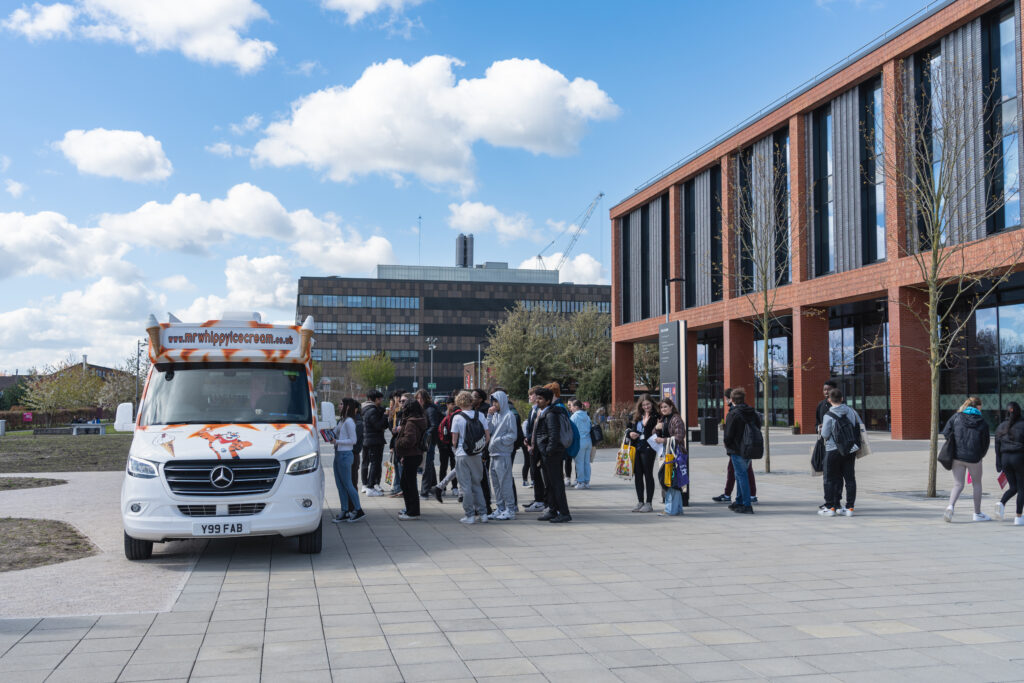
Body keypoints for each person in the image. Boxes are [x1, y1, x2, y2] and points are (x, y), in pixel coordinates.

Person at [942, 396, 992, 523]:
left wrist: (956, 442)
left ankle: (950, 506)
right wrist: (980, 455)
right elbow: (986, 442)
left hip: (957, 456)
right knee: (977, 484)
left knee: (958, 484)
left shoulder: (956, 417)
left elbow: (946, 432)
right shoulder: (982, 421)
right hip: (974, 458)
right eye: (981, 406)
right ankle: (977, 513)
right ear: (978, 406)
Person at [818, 388, 864, 517]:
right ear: (842, 398)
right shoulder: (852, 412)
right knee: (850, 478)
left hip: (833, 450)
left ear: (829, 400)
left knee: (829, 478)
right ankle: (849, 508)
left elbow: (825, 434)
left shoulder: (828, 415)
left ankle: (830, 507)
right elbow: (859, 426)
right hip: (850, 449)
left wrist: (820, 429)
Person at [532, 387, 571, 522]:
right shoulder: (543, 412)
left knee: (557, 484)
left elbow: (554, 435)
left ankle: (564, 513)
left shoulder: (551, 414)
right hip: (545, 454)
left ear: (548, 401)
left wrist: (548, 451)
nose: (537, 400)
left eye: (540, 399)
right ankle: (553, 510)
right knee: (549, 484)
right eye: (537, 398)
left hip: (552, 454)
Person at [713, 387, 757, 504]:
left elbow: (728, 435)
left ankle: (746, 504)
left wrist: (728, 445)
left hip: (736, 449)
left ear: (731, 399)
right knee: (742, 474)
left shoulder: (733, 414)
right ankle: (739, 501)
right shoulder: (751, 411)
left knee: (741, 476)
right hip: (749, 447)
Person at [451, 390, 489, 524]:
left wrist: (456, 450)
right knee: (477, 484)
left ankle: (469, 515)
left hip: (462, 454)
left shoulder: (457, 417)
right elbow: (487, 436)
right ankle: (483, 514)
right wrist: (479, 448)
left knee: (465, 486)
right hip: (477, 454)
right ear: (471, 401)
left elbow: (454, 440)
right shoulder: (480, 415)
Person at [332, 398, 365, 523]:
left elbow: (353, 440)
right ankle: (344, 511)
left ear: (347, 406)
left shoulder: (350, 421)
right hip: (338, 454)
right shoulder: (342, 420)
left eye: (341, 404)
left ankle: (358, 510)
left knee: (348, 484)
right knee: (340, 485)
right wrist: (328, 434)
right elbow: (335, 433)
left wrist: (337, 441)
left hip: (345, 455)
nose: (339, 406)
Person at [394, 397, 427, 520]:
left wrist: (398, 443)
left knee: (409, 484)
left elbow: (410, 440)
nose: (402, 407)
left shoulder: (411, 422)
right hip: (412, 455)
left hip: (412, 455)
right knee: (406, 483)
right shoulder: (418, 420)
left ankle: (412, 512)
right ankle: (410, 509)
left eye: (404, 405)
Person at [486, 389, 517, 520]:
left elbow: (512, 435)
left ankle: (510, 509)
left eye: (496, 401)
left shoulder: (509, 415)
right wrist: (489, 416)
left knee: (505, 482)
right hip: (493, 453)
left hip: (503, 453)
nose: (494, 404)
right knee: (496, 483)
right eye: (492, 401)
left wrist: (499, 440)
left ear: (502, 401)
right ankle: (500, 507)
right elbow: (490, 430)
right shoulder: (496, 415)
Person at [654, 397, 687, 516]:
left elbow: (679, 436)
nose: (663, 409)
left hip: (674, 454)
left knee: (670, 480)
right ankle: (677, 509)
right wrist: (657, 429)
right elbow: (655, 434)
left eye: (665, 407)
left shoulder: (676, 419)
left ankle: (670, 509)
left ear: (671, 407)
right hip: (665, 453)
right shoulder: (663, 419)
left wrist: (663, 439)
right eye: (661, 407)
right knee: (671, 481)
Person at [994, 401, 1024, 525]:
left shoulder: (1001, 426)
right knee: (1022, 488)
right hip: (1019, 458)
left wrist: (999, 463)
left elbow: (997, 447)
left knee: (1013, 487)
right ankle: (1018, 517)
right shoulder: (1023, 425)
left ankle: (1001, 503)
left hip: (1005, 459)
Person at [629, 394, 658, 513]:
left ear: (652, 404)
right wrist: (631, 434)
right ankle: (640, 501)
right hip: (637, 447)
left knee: (648, 474)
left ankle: (649, 503)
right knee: (638, 474)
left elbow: (659, 431)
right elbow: (631, 429)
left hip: (649, 448)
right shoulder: (638, 416)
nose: (646, 406)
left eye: (648, 404)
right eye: (644, 404)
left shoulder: (656, 416)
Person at [813, 379, 839, 509]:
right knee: (827, 475)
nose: (826, 392)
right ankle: (829, 500)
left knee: (837, 475)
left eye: (828, 389)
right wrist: (819, 427)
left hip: (839, 446)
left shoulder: (841, 405)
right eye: (824, 389)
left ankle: (837, 501)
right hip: (825, 444)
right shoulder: (821, 405)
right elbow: (816, 424)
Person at [523, 386, 548, 512]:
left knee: (538, 473)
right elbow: (529, 428)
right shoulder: (533, 410)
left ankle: (541, 500)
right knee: (534, 472)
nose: (530, 397)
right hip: (531, 446)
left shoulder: (541, 411)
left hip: (538, 447)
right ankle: (538, 498)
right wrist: (527, 439)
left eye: (532, 395)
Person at [432, 396, 460, 502]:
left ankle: (455, 487)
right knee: (443, 465)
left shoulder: (457, 415)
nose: (452, 405)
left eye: (454, 403)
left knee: (455, 466)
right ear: (447, 404)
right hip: (443, 444)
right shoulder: (442, 415)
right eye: (451, 404)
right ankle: (442, 488)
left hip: (453, 444)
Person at [360, 390, 387, 496]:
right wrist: (385, 416)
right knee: (375, 463)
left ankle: (367, 485)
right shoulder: (372, 410)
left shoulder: (365, 409)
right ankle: (370, 486)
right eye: (380, 399)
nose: (381, 401)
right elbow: (378, 426)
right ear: (375, 399)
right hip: (373, 441)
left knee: (368, 462)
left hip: (368, 439)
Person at [416, 390, 442, 499]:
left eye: (421, 398)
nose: (419, 400)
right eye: (418, 398)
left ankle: (424, 492)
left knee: (426, 464)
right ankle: (433, 488)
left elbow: (434, 425)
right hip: (428, 439)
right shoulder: (424, 409)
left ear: (426, 398)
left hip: (429, 440)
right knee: (429, 463)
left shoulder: (430, 409)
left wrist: (425, 435)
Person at [471, 388, 494, 513]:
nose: (471, 398)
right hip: (474, 449)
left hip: (482, 449)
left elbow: (486, 433)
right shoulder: (473, 410)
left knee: (483, 479)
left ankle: (486, 505)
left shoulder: (484, 411)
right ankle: (479, 505)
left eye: (474, 396)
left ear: (480, 399)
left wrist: (484, 451)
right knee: (475, 479)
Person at [569, 399, 592, 489]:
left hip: (579, 441)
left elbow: (570, 429)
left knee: (579, 462)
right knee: (586, 462)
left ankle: (580, 482)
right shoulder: (587, 416)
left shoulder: (574, 417)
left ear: (576, 407)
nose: (571, 409)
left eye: (572, 407)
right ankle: (587, 482)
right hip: (588, 440)